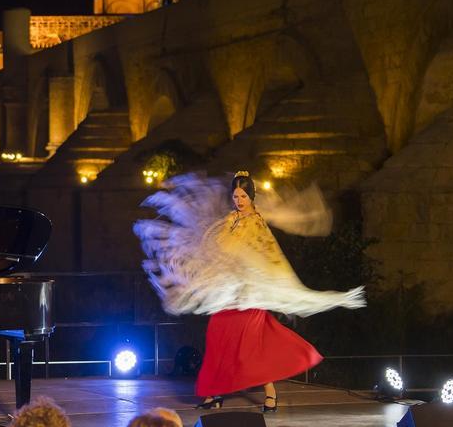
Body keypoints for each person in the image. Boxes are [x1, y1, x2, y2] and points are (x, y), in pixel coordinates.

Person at [134, 171, 365, 413]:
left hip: (249, 297)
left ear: (252, 196)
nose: (239, 200)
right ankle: (214, 393)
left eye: (243, 196)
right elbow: (216, 250)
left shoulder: (256, 223)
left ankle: (270, 394)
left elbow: (268, 258)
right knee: (217, 340)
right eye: (235, 196)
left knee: (250, 349)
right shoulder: (229, 220)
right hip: (228, 297)